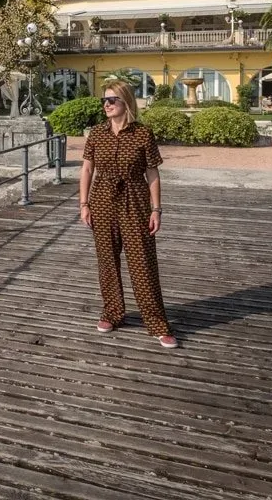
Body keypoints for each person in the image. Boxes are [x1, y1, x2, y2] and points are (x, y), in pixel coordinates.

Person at [79, 80, 177, 349]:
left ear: (126, 102)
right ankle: (112, 313)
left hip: (135, 199)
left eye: (112, 100)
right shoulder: (96, 133)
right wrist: (84, 204)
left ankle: (157, 322)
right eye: (104, 100)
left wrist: (156, 209)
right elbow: (87, 169)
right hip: (102, 200)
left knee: (142, 262)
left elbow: (152, 173)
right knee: (107, 261)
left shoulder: (143, 134)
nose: (107, 104)